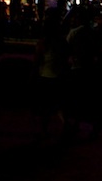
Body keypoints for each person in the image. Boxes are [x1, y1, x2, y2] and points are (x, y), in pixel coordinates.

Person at [65, 6, 102, 140]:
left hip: (77, 68)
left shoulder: (74, 33)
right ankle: (93, 124)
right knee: (88, 98)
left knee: (76, 98)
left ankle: (76, 124)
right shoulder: (93, 32)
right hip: (90, 68)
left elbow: (66, 48)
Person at [33, 7, 71, 141]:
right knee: (59, 104)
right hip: (59, 75)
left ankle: (44, 131)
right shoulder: (62, 42)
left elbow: (37, 60)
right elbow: (67, 58)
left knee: (45, 106)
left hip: (46, 76)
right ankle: (65, 124)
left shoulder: (43, 43)